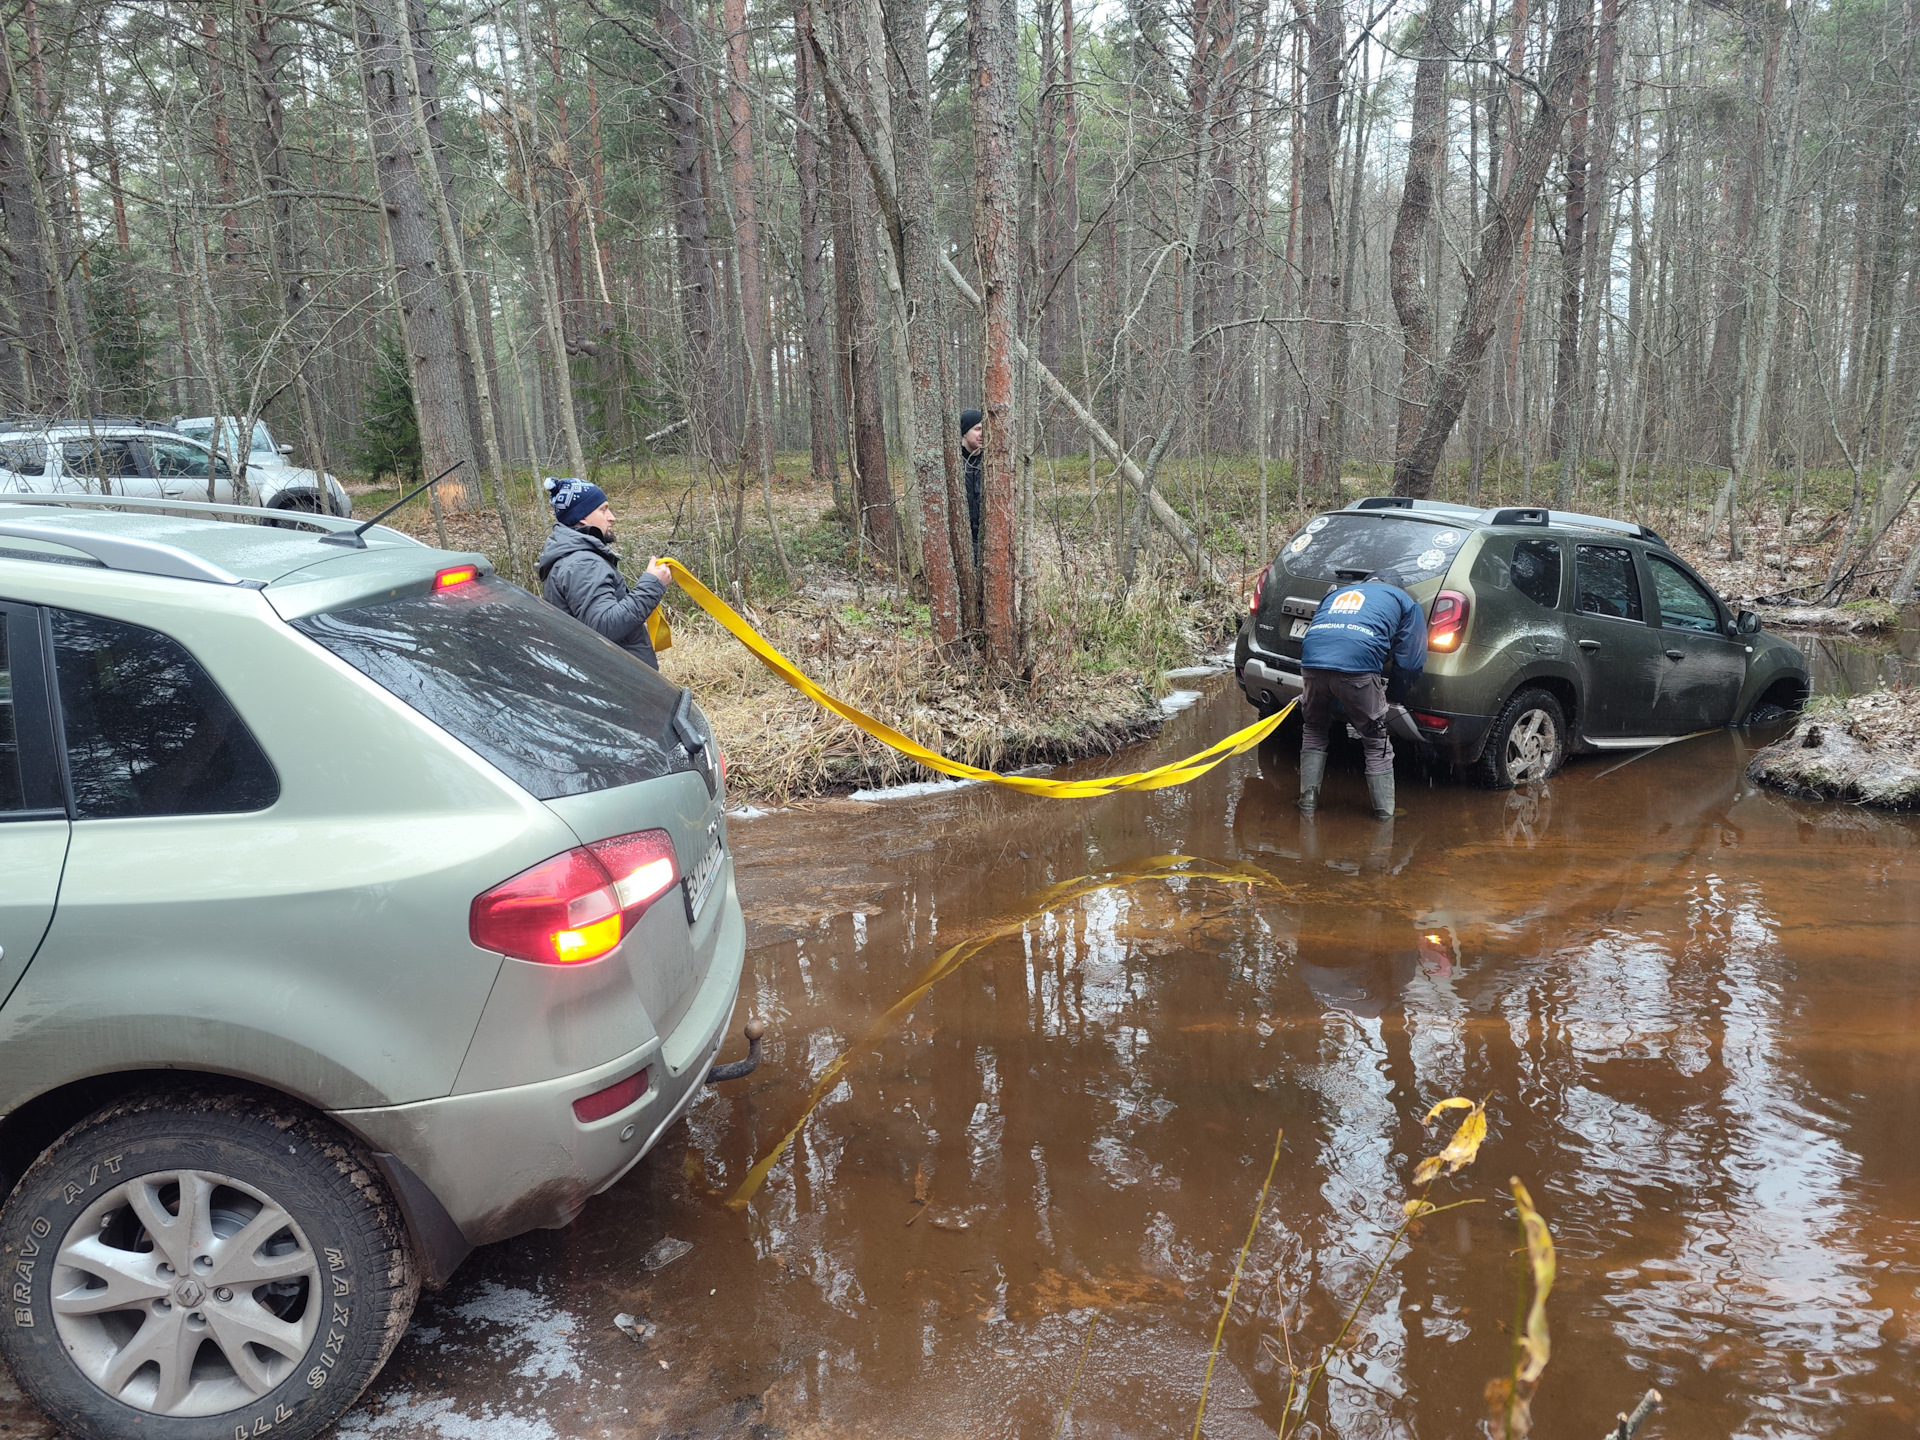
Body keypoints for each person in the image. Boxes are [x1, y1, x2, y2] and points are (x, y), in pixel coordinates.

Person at [1296, 571, 1427, 819]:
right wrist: (1392, 697)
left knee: (1314, 727)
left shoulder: (1338, 592)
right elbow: (1411, 662)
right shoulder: (1405, 601)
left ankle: (1308, 801)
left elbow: (1323, 636)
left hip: (1312, 662)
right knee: (1375, 738)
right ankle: (1384, 814)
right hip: (1358, 667)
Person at [536, 477, 672, 669]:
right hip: (619, 682)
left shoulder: (572, 558)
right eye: (603, 509)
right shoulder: (582, 563)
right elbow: (604, 627)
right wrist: (653, 584)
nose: (612, 516)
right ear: (582, 516)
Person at [959, 408, 984, 562]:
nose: (982, 434)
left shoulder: (990, 462)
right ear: (964, 432)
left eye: (983, 429)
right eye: (977, 429)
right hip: (962, 539)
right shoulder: (954, 462)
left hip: (985, 540)